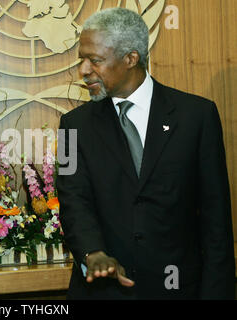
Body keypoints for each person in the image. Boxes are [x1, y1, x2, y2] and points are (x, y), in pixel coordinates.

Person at [57, 8, 235, 299]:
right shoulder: (71, 126)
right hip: (104, 292)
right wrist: (92, 252)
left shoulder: (197, 116)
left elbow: (216, 220)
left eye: (95, 60)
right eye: (82, 60)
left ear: (131, 58)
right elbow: (73, 201)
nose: (84, 70)